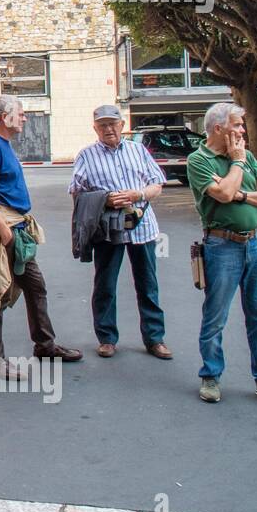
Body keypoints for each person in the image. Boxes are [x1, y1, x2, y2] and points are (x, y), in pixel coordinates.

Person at [0, 95, 83, 375]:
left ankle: (44, 346)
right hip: (6, 228)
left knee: (33, 286)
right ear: (6, 117)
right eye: (22, 113)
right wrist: (5, 233)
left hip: (14, 227)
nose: (25, 118)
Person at [186, 102, 257, 405]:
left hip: (255, 244)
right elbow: (223, 195)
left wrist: (241, 192)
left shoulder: (248, 155)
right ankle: (211, 376)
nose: (242, 131)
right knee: (215, 317)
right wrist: (238, 164)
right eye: (238, 125)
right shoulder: (199, 160)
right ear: (219, 128)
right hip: (221, 246)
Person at [68, 105, 170, 360]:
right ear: (95, 128)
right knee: (105, 285)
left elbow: (157, 184)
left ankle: (155, 338)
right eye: (102, 125)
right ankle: (106, 338)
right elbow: (76, 192)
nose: (108, 129)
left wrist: (139, 194)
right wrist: (104, 200)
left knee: (148, 285)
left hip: (142, 226)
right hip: (107, 229)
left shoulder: (138, 151)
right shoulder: (86, 155)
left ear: (122, 125)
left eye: (112, 124)